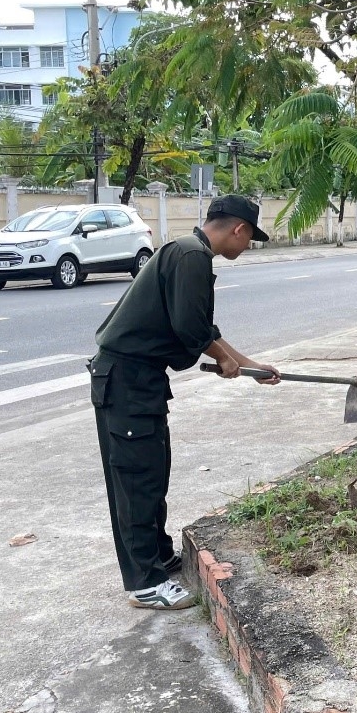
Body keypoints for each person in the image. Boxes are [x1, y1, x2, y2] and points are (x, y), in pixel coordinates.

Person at [90, 195, 281, 611]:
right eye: (249, 239)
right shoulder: (192, 256)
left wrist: (248, 364)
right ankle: (144, 583)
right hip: (127, 379)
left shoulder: (188, 252)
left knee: (152, 471)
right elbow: (191, 329)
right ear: (239, 229)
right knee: (137, 479)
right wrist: (224, 359)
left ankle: (157, 556)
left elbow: (201, 328)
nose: (246, 247)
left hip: (138, 380)